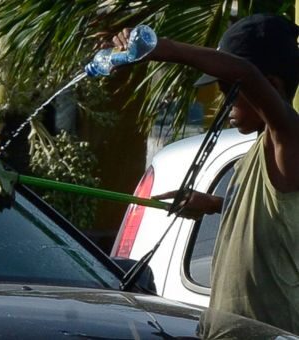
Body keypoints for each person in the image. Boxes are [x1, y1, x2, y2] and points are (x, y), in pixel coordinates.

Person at [109, 14, 299, 334]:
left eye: (229, 91)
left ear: (272, 86)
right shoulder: (256, 154)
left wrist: (163, 49)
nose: (221, 106)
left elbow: (246, 73)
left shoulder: (289, 140)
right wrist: (214, 205)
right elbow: (275, 216)